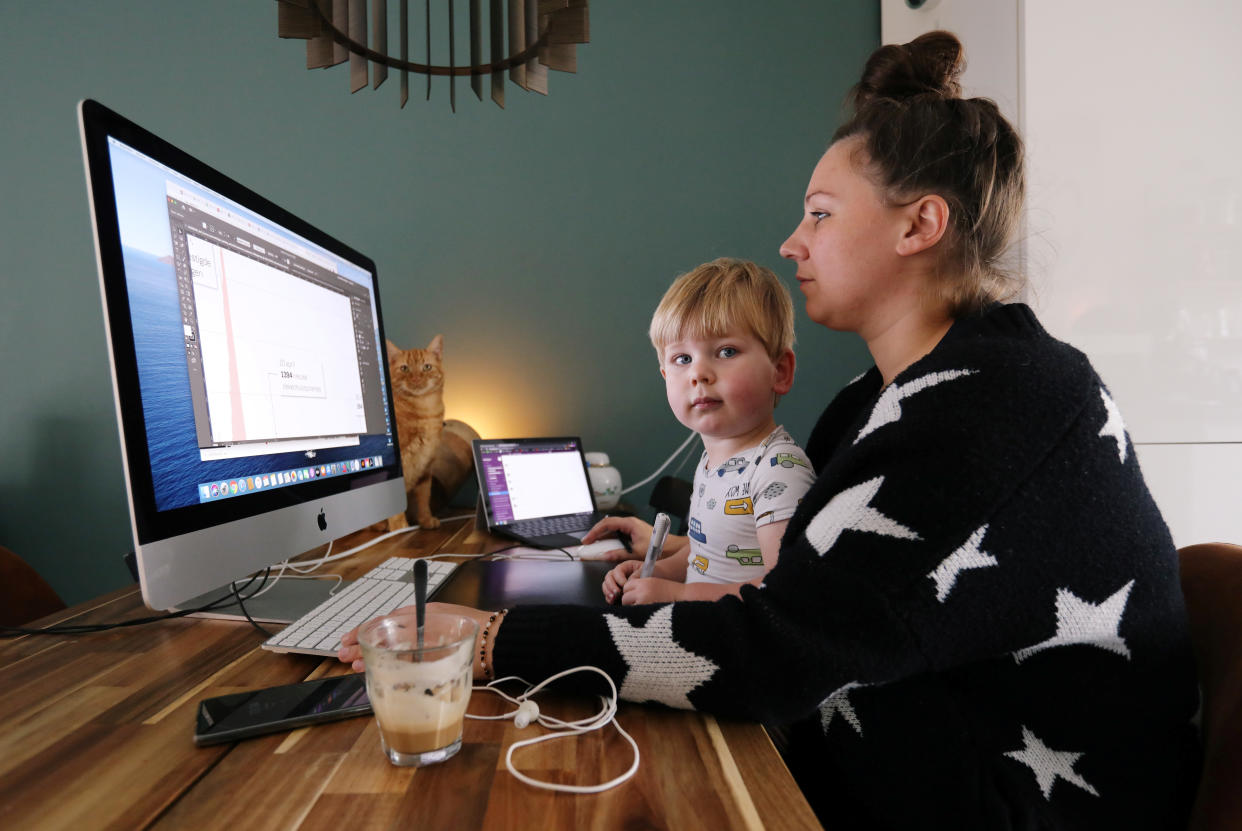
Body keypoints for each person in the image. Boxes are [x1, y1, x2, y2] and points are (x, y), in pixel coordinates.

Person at [342, 31, 1201, 828]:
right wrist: (682, 562)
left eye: (821, 213)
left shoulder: (998, 397)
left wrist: (494, 637)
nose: (793, 243)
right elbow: (805, 593)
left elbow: (775, 647)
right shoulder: (887, 396)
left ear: (919, 224)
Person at [594, 258, 815, 605]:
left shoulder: (779, 471)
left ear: (780, 372)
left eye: (726, 351)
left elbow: (784, 593)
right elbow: (705, 554)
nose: (699, 374)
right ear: (666, 376)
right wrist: (657, 572)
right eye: (682, 359)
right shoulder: (714, 463)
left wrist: (679, 594)